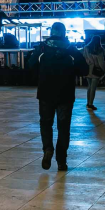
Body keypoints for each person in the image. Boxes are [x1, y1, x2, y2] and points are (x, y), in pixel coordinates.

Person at [30, 22, 87, 171]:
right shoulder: (70, 49)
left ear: (52, 32)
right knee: (63, 127)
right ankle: (61, 161)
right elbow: (84, 69)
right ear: (64, 33)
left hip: (45, 93)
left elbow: (30, 65)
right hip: (65, 94)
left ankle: (48, 149)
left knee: (45, 123)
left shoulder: (42, 48)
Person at [83, 37, 105, 110]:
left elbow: (84, 57)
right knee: (93, 88)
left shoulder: (86, 48)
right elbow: (101, 62)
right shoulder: (99, 49)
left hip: (87, 69)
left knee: (89, 87)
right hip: (95, 70)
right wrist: (104, 71)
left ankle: (88, 103)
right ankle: (90, 104)